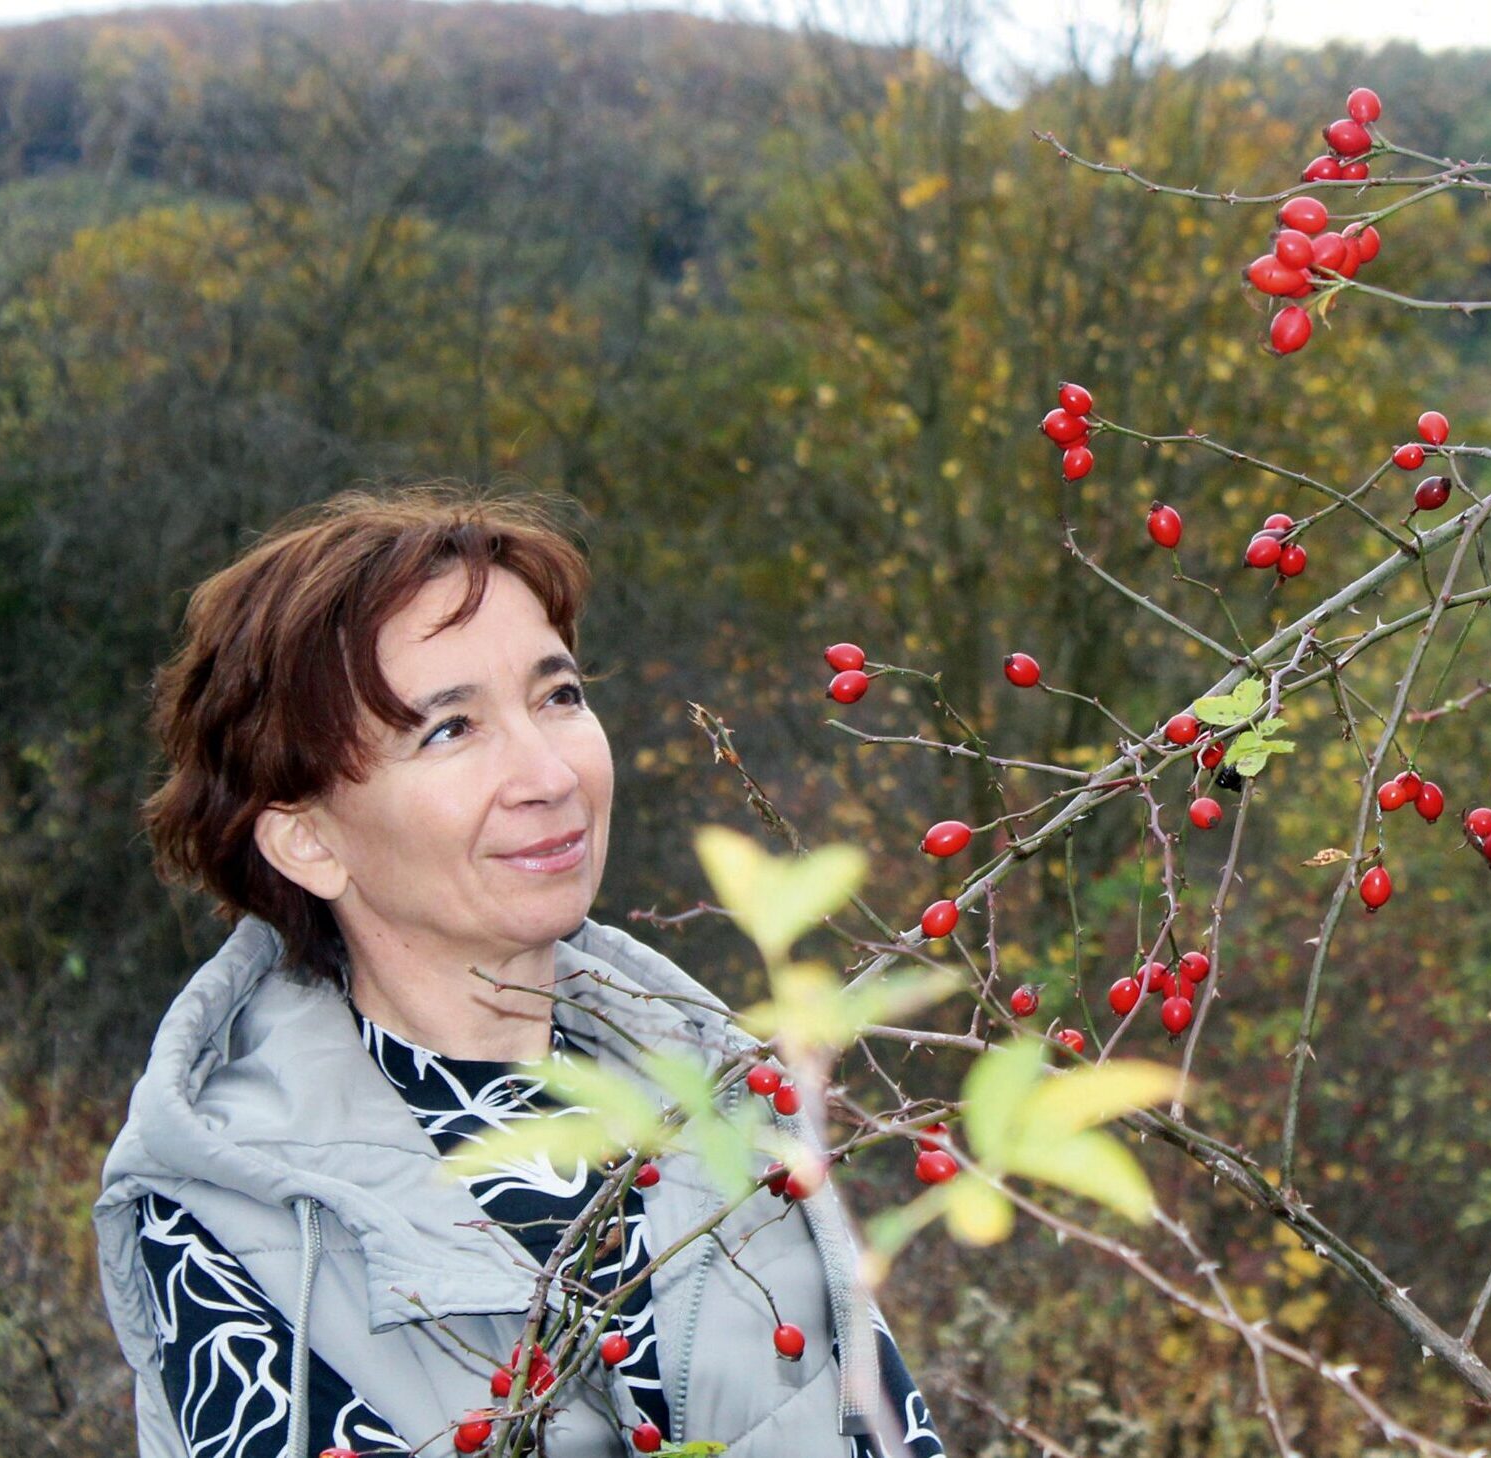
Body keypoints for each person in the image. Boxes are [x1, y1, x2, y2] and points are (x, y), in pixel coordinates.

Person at [93, 485, 947, 1458]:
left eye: (559, 696)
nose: (551, 775)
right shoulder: (228, 1215)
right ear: (308, 840)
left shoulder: (729, 1103)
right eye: (450, 729)